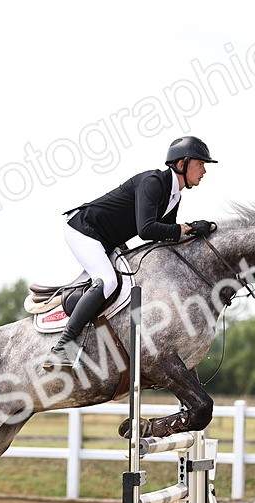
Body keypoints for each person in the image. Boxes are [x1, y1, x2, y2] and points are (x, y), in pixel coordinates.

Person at [44, 135, 217, 367]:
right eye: (200, 164)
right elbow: (146, 230)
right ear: (181, 164)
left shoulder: (174, 195)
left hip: (109, 239)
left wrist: (195, 231)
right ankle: (62, 347)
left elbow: (164, 235)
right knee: (108, 281)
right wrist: (185, 228)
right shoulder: (153, 182)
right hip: (84, 229)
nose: (204, 171)